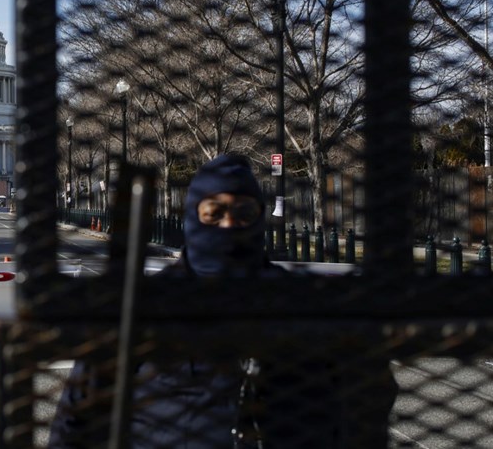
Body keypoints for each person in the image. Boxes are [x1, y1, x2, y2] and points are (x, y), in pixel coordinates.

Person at [48, 154, 397, 448]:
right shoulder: (142, 305)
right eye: (214, 214)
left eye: (243, 214)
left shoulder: (305, 302)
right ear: (193, 218)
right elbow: (76, 418)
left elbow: (365, 399)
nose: (229, 225)